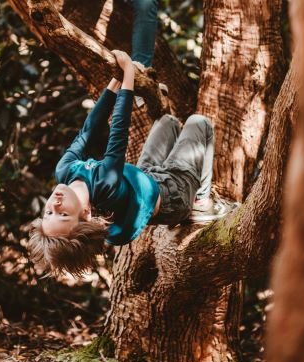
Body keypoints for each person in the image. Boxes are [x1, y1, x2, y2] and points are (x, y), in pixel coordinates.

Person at [27, 50, 236, 277]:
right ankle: (201, 201)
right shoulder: (105, 185)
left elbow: (89, 130)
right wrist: (128, 73)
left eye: (48, 213)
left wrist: (116, 78)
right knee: (199, 122)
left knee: (168, 122)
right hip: (174, 194)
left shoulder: (65, 171)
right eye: (63, 215)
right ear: (86, 213)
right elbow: (118, 130)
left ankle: (185, 182)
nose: (54, 205)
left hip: (144, 175)